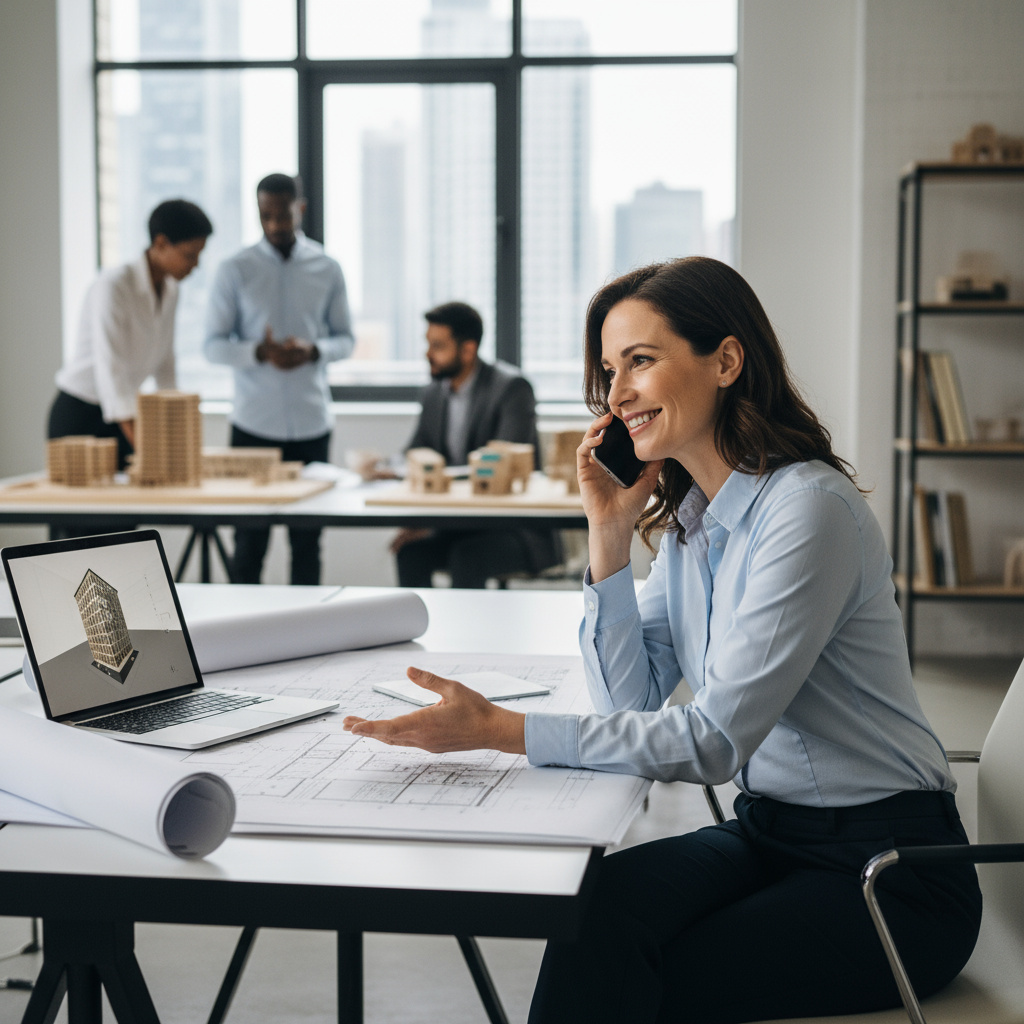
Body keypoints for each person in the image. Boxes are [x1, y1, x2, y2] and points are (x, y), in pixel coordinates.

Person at [344, 257, 982, 1023]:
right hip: (771, 831)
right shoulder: (691, 527)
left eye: (640, 362)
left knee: (653, 981)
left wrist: (502, 731)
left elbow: (711, 742)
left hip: (892, 870)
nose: (615, 394)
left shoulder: (806, 512)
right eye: (610, 370)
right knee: (594, 913)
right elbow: (630, 697)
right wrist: (609, 534)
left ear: (726, 360)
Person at [204, 173, 354, 585]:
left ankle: (307, 640)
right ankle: (243, 641)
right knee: (250, 544)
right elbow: (212, 346)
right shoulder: (235, 269)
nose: (273, 224)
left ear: (299, 208)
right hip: (254, 427)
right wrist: (258, 351)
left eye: (282, 214)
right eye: (265, 215)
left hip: (311, 426)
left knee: (307, 544)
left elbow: (347, 339)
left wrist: (314, 350)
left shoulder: (327, 267)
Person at [391, 301, 561, 588]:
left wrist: (431, 520)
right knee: (410, 553)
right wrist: (388, 467)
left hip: (514, 529)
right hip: (456, 526)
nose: (428, 354)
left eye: (438, 346)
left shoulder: (512, 389)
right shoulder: (433, 394)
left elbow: (499, 464)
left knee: (466, 557)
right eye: (428, 344)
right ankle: (417, 629)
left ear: (468, 350)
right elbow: (415, 450)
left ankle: (464, 634)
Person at [48, 198, 213, 469]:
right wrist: (149, 448)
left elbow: (165, 362)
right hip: (80, 414)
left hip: (123, 413)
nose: (195, 265)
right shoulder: (113, 286)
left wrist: (174, 432)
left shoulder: (171, 290)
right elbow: (111, 369)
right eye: (189, 255)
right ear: (160, 243)